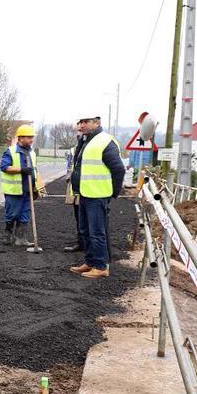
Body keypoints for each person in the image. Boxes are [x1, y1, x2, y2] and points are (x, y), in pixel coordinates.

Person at [69, 117, 125, 279]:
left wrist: (113, 192)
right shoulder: (86, 141)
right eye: (81, 121)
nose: (83, 125)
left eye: (87, 121)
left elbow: (118, 169)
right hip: (86, 193)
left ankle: (101, 266)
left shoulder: (105, 141)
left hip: (98, 195)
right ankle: (91, 262)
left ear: (97, 123)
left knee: (97, 232)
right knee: (85, 230)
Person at [0, 125, 39, 247]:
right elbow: (5, 167)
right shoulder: (10, 151)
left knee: (25, 215)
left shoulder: (32, 153)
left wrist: (36, 187)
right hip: (14, 191)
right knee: (12, 214)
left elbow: (35, 171)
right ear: (20, 138)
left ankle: (20, 238)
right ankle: (8, 235)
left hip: (28, 190)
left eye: (32, 137)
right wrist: (21, 169)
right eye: (28, 137)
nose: (31, 140)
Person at [63, 120, 86, 252]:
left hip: (88, 187)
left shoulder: (90, 147)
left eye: (81, 130)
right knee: (78, 216)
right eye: (78, 130)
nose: (79, 133)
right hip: (75, 186)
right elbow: (70, 166)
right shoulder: (74, 149)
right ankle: (81, 242)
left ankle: (88, 244)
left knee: (87, 217)